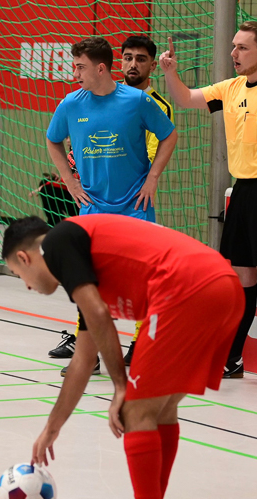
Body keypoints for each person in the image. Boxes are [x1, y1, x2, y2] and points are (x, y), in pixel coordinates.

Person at [2, 214, 243, 499]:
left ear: (25, 257)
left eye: (17, 274)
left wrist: (120, 386)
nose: (26, 286)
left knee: (135, 410)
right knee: (159, 410)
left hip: (186, 288)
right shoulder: (81, 269)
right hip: (223, 287)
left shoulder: (57, 243)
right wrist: (52, 427)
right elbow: (83, 359)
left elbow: (100, 314)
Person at [160, 21, 257, 392]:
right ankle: (234, 359)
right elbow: (186, 99)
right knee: (242, 276)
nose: (234, 54)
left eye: (242, 47)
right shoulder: (230, 88)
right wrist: (170, 73)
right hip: (241, 190)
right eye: (233, 46)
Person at [45, 36, 178, 376]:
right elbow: (53, 140)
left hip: (135, 206)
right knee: (87, 283)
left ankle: (143, 346)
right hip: (93, 209)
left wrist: (153, 178)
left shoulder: (137, 101)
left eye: (80, 67)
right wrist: (70, 181)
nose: (75, 74)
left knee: (140, 279)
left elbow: (169, 135)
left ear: (101, 69)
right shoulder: (71, 104)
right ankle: (88, 355)